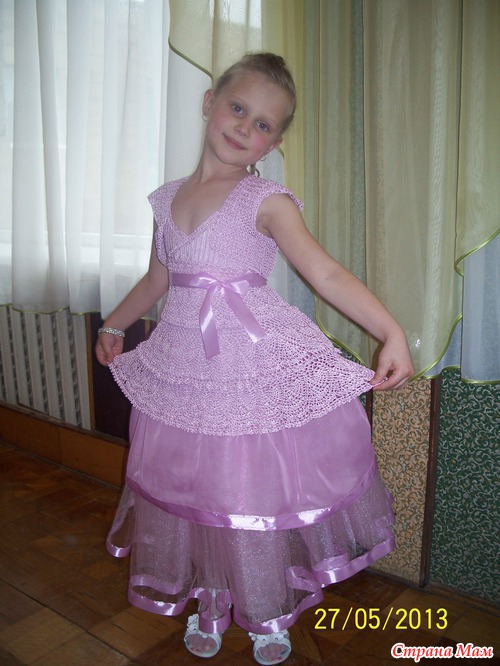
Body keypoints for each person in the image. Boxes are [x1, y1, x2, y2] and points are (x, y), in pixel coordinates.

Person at [96, 52, 414, 665]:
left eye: (263, 124)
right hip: (185, 370)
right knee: (196, 490)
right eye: (238, 108)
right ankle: (211, 598)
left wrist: (390, 330)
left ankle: (268, 610)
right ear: (209, 103)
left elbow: (324, 273)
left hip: (251, 368)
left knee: (248, 492)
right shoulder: (166, 200)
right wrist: (115, 322)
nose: (245, 127)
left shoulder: (265, 199)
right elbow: (158, 278)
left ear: (275, 141)